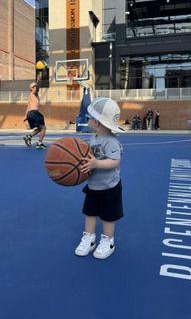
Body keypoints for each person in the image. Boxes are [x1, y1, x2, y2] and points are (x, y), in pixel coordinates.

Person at [75, 97, 124, 259]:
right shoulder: (94, 138)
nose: (87, 119)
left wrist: (96, 163)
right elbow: (89, 157)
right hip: (93, 186)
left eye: (89, 117)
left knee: (108, 216)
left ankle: (107, 240)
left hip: (110, 187)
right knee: (89, 212)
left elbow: (115, 162)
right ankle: (89, 237)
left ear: (96, 122)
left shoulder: (111, 142)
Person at [23, 82, 47, 149]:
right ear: (32, 88)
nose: (36, 88)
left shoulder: (34, 96)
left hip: (30, 114)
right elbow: (34, 90)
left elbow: (28, 106)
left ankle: (29, 136)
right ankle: (39, 144)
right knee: (43, 128)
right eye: (34, 87)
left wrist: (25, 117)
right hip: (34, 113)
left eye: (35, 87)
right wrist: (35, 85)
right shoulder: (32, 93)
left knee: (40, 128)